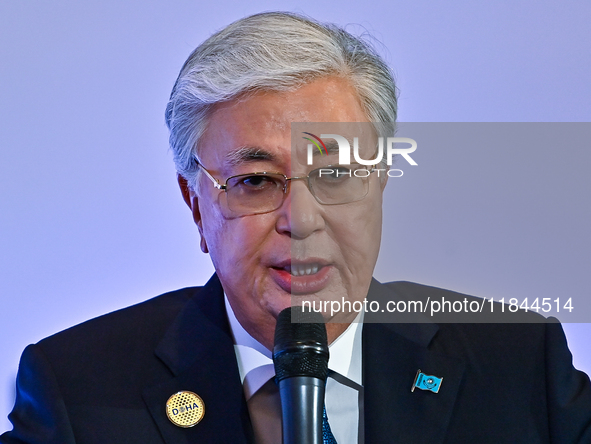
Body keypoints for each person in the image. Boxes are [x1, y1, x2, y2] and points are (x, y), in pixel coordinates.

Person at [2, 11, 590, 444]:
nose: (302, 220)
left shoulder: (517, 363)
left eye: (334, 173)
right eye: (256, 181)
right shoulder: (77, 390)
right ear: (196, 204)